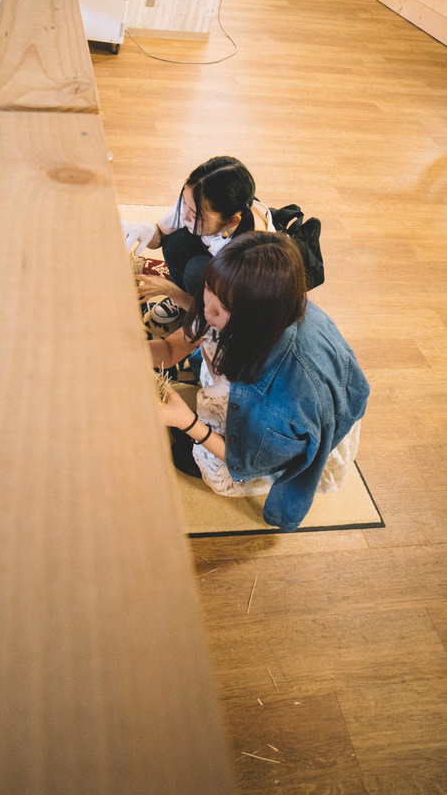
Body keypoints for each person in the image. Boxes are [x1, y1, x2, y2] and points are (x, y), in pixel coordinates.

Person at [150, 232, 369, 532]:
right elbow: (173, 348)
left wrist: (186, 423)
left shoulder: (282, 395)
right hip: (253, 398)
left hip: (274, 433)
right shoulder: (253, 307)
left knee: (209, 463)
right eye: (208, 289)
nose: (207, 308)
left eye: (222, 306)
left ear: (252, 315)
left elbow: (248, 459)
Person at [122, 155, 274, 322]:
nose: (184, 216)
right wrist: (145, 231)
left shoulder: (252, 255)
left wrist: (171, 291)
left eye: (195, 215)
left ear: (231, 221)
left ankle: (191, 306)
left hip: (236, 306)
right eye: (183, 204)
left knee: (196, 271)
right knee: (174, 243)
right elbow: (160, 234)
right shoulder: (196, 201)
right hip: (219, 264)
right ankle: (187, 301)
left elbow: (231, 320)